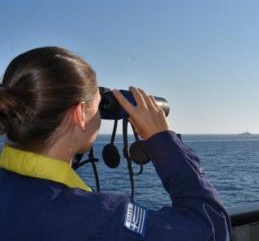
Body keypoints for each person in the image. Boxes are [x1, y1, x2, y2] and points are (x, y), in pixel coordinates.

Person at [0, 47, 231, 240]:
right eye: (98, 106)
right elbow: (211, 229)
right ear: (80, 114)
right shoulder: (100, 219)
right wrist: (163, 140)